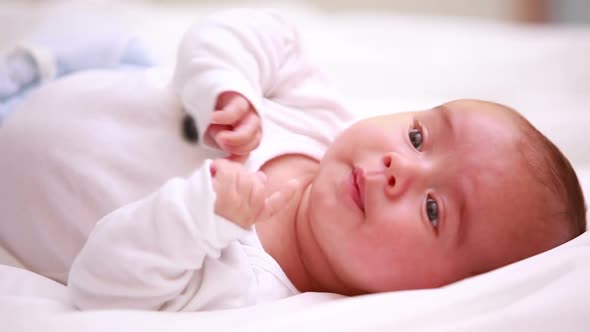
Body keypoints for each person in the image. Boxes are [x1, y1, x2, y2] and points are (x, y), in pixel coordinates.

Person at [0, 9, 585, 311]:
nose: (398, 169)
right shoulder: (315, 118)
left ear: (432, 292)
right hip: (75, 76)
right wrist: (229, 89)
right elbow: (258, 31)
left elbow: (101, 287)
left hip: (10, 179)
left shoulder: (247, 289)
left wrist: (200, 217)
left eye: (433, 210)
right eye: (417, 136)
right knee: (120, 42)